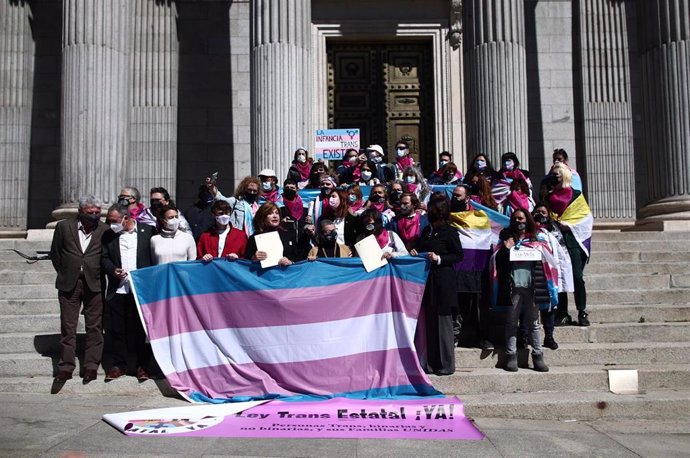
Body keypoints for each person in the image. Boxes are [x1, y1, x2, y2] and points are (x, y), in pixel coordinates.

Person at [49, 195, 109, 383]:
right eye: (90, 213)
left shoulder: (104, 230)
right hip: (70, 284)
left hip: (95, 283)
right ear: (81, 212)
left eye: (97, 213)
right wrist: (67, 271)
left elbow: (106, 256)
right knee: (68, 326)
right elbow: (56, 254)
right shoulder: (64, 227)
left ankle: (91, 366)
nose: (94, 216)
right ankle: (66, 367)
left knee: (95, 326)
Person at [492, 208, 556, 372]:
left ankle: (538, 355)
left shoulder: (536, 239)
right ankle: (511, 355)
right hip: (513, 287)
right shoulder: (506, 238)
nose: (518, 222)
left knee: (534, 323)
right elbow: (496, 261)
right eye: (515, 219)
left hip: (532, 287)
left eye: (521, 219)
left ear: (527, 220)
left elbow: (548, 260)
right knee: (511, 322)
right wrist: (506, 249)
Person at [410, 193, 464, 375]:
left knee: (443, 325)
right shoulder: (426, 231)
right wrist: (415, 251)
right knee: (430, 325)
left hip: (444, 283)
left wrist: (439, 258)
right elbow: (419, 247)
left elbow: (458, 255)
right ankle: (433, 363)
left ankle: (447, 364)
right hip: (428, 283)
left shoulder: (449, 231)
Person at [102, 204, 155, 381]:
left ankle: (143, 366)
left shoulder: (148, 231)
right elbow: (104, 257)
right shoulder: (109, 235)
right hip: (119, 289)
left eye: (114, 221)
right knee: (117, 329)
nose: (111, 224)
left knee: (141, 329)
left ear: (126, 218)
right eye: (109, 221)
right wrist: (113, 270)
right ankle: (119, 364)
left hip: (141, 289)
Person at [449, 185, 494, 351]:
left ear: (467, 198)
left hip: (478, 266)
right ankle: (455, 334)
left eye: (458, 196)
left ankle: (484, 337)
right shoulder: (447, 216)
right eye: (453, 195)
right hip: (457, 267)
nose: (455, 198)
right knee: (457, 303)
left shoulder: (481, 216)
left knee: (480, 303)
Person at [546, 164, 591, 327]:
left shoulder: (576, 195)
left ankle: (582, 311)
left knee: (577, 277)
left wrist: (570, 225)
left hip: (574, 241)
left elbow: (585, 217)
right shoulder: (549, 196)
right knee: (561, 277)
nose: (554, 177)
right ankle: (562, 313)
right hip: (557, 241)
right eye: (552, 175)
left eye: (557, 174)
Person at [533, 202, 574, 349]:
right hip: (533, 271)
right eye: (537, 212)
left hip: (549, 274)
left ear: (549, 215)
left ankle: (549, 336)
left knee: (549, 307)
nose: (540, 215)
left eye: (543, 212)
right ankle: (526, 336)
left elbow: (561, 254)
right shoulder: (529, 231)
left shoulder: (554, 231)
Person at [245, 202, 309, 265]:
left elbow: (297, 256)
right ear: (263, 217)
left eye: (277, 213)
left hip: (285, 273)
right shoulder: (254, 238)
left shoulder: (287, 235)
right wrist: (254, 258)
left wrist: (290, 262)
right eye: (270, 213)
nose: (275, 216)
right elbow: (245, 263)